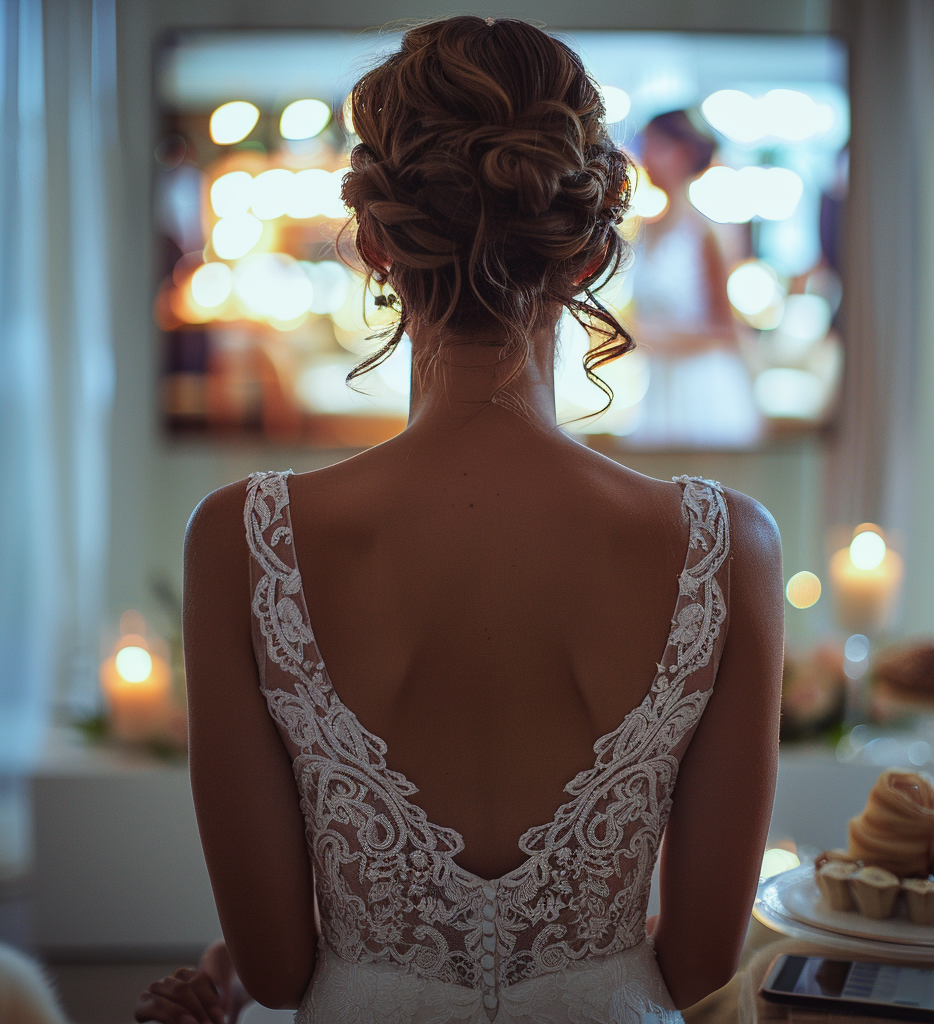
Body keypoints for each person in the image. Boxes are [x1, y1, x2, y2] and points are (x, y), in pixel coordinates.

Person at [135, 17, 783, 1024]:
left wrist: (226, 971)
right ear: (587, 253)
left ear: (379, 245)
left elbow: (274, 967)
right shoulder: (727, 546)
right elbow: (701, 965)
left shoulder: (240, 540)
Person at [628, 111, 761, 447]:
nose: (645, 154)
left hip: (702, 391)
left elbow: (727, 330)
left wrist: (651, 336)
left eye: (656, 144)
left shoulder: (706, 233)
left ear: (683, 152)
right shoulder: (645, 228)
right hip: (659, 386)